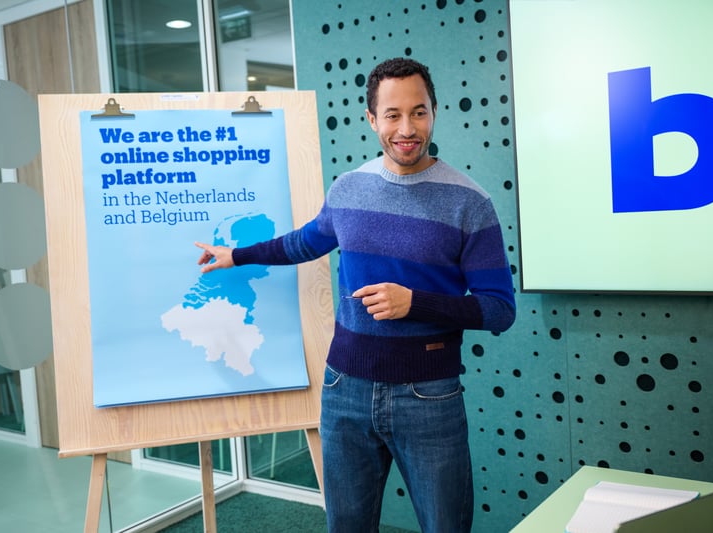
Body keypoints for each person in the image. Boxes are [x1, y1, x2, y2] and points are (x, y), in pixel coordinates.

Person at [195, 57, 516, 533]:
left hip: (429, 396)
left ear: (434, 112)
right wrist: (236, 255)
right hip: (344, 390)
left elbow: (499, 309)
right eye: (392, 115)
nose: (407, 128)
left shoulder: (470, 201)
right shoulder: (348, 189)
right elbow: (303, 242)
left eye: (419, 112)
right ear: (371, 119)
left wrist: (417, 303)